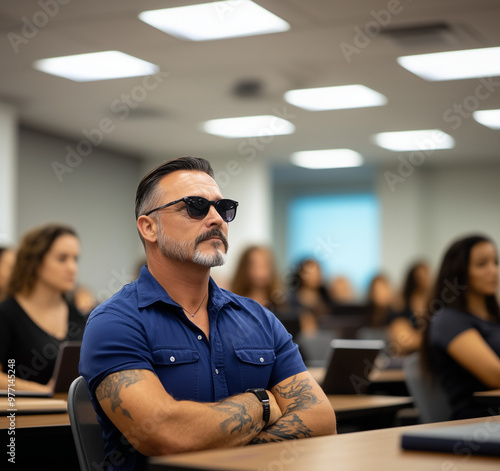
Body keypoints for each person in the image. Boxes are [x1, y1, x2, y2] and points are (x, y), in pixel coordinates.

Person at [79, 157, 336, 470]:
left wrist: (226, 444)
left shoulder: (259, 318)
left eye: (223, 207)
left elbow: (320, 419)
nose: (216, 218)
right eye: (195, 206)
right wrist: (262, 404)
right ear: (149, 227)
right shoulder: (115, 321)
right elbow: (165, 433)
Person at [420, 235, 500, 420]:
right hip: (478, 423)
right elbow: (496, 376)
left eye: (495, 262)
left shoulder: (494, 317)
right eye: (482, 264)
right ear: (459, 272)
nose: (493, 270)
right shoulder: (448, 320)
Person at [0, 224, 85, 392]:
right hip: (24, 415)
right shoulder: (7, 313)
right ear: (36, 262)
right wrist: (41, 391)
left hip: (74, 414)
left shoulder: (78, 315)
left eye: (75, 259)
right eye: (62, 259)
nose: (72, 268)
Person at [388, 262, 431, 355]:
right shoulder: (401, 305)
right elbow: (402, 340)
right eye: (420, 277)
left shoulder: (436, 304)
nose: (425, 279)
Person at [231, 245, 283, 312]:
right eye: (255, 266)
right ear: (244, 269)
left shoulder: (280, 305)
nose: (261, 271)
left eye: (265, 265)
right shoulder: (234, 305)